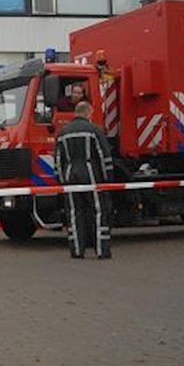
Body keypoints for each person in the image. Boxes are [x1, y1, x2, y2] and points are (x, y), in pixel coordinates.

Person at [56, 101, 114, 259]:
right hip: (91, 174)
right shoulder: (94, 130)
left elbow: (58, 159)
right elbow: (104, 156)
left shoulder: (63, 132)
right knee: (98, 211)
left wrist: (62, 181)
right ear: (89, 113)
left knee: (74, 212)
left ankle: (76, 250)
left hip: (70, 176)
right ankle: (102, 250)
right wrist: (108, 179)